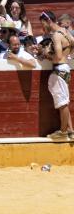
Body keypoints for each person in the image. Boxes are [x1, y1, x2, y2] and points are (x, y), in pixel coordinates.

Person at [39, 11, 74, 140]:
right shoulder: (66, 33)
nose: (42, 27)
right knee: (63, 101)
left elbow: (58, 57)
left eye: (43, 23)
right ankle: (70, 130)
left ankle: (63, 132)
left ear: (48, 21)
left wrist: (47, 54)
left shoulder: (56, 36)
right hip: (65, 69)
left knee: (62, 103)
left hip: (59, 69)